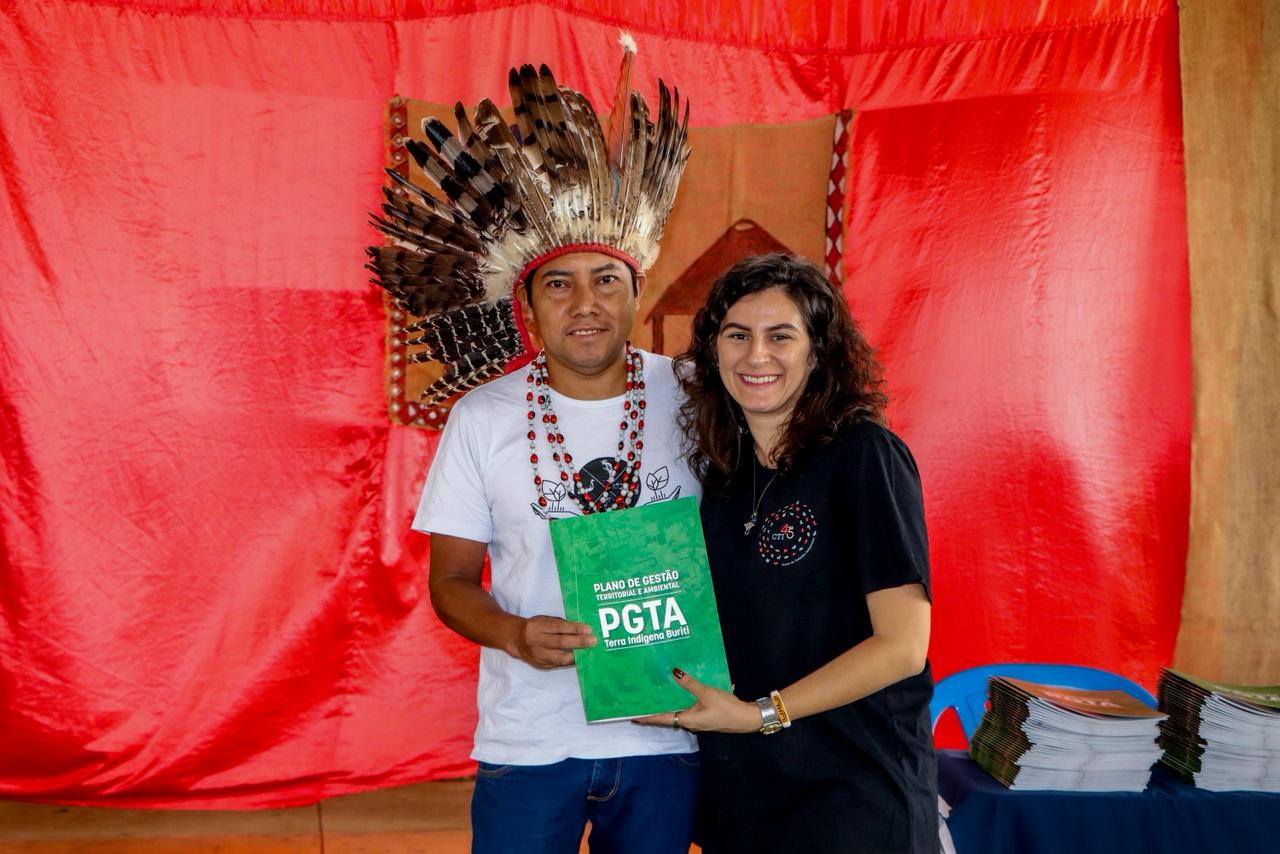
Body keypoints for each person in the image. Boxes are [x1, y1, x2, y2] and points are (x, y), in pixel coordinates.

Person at [366, 50, 699, 854]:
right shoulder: (482, 417)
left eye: (606, 280)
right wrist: (516, 635)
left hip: (669, 732)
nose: (585, 303)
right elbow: (451, 583)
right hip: (529, 741)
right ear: (529, 302)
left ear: (638, 290)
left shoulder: (699, 400)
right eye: (559, 284)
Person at [643, 253, 938, 853]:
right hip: (745, 798)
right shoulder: (722, 478)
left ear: (818, 352)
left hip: (853, 796)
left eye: (780, 336)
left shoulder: (864, 455)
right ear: (713, 352)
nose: (756, 356)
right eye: (737, 336)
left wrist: (762, 713)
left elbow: (903, 647)